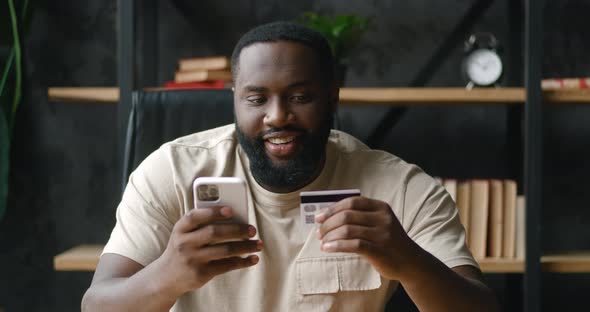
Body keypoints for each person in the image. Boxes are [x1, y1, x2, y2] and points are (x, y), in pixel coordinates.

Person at [82, 21, 498, 312]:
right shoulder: (170, 171)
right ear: (235, 99)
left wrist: (410, 261)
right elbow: (97, 305)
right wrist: (169, 275)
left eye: (300, 97)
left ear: (333, 97)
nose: (277, 116)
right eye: (256, 98)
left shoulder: (401, 186)